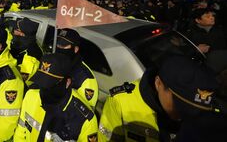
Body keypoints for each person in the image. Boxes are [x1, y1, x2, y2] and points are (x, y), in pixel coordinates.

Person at [98, 55, 227, 142]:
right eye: (179, 105)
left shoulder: (215, 114)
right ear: (158, 83)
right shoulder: (122, 102)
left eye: (194, 110)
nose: (185, 114)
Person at [13, 53, 98, 141]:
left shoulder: (85, 121)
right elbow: (21, 130)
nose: (44, 89)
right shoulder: (31, 95)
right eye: (42, 82)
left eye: (50, 84)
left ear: (67, 82)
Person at [56, 28, 98, 108]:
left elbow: (85, 112)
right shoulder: (55, 63)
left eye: (63, 45)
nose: (59, 48)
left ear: (75, 49)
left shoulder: (86, 78)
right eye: (58, 45)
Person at [9, 17, 43, 84]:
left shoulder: (30, 55)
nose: (13, 31)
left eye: (15, 29)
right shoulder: (21, 46)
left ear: (22, 34)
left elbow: (23, 81)